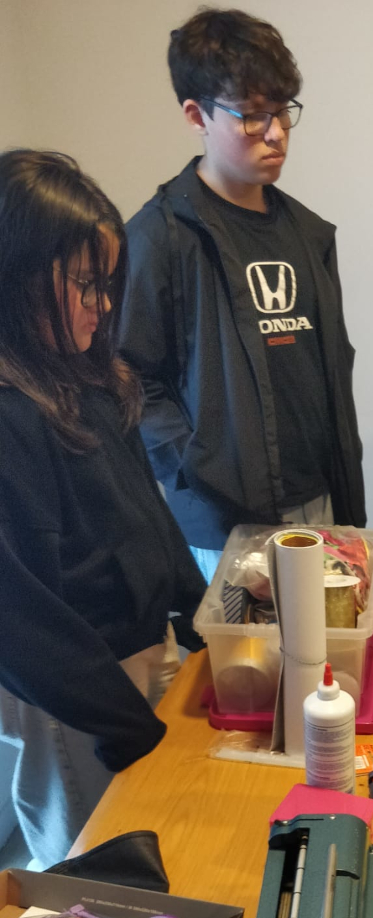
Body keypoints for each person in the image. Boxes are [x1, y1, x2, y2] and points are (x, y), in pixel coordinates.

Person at [0, 150, 206, 869]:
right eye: (85, 284)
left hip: (136, 666)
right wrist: (125, 728)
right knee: (97, 876)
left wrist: (201, 617)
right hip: (73, 702)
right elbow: (22, 624)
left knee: (163, 841)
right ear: (18, 278)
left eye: (105, 283)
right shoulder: (9, 413)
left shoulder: (84, 377)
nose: (104, 304)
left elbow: (146, 517)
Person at [119, 8, 365, 582]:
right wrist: (200, 468)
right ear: (195, 114)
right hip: (221, 519)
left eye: (281, 111)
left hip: (321, 499)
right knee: (243, 670)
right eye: (252, 116)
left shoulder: (310, 234)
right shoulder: (160, 237)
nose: (276, 132)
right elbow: (130, 376)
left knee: (323, 663)